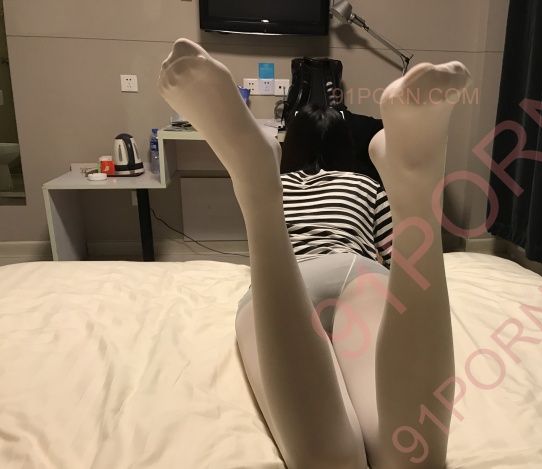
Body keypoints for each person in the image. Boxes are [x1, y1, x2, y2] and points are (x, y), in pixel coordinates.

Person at [158, 38, 470, 469]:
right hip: (359, 273)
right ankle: (415, 190)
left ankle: (255, 180)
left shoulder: (285, 186)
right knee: (409, 454)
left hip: (289, 279)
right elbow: (394, 256)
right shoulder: (363, 184)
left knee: (329, 462)